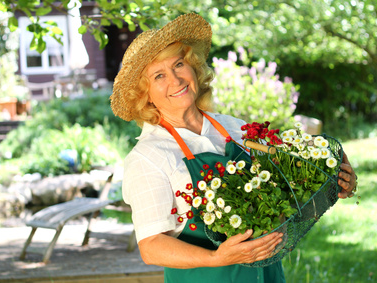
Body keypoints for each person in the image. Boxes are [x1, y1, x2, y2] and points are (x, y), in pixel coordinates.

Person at [110, 13, 358, 283]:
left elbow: (283, 194)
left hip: (267, 274)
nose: (176, 79)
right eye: (159, 75)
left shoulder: (233, 128)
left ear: (193, 67)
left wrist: (329, 182)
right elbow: (151, 247)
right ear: (145, 95)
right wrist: (217, 258)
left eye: (179, 64)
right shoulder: (149, 156)